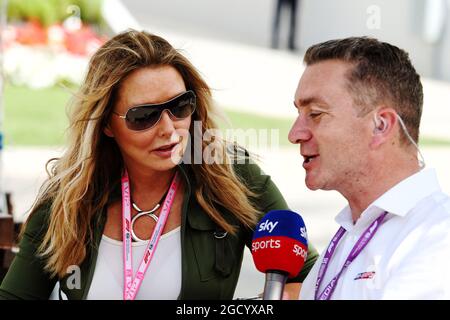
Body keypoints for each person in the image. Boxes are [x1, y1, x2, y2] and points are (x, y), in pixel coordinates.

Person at [0, 29, 318, 300]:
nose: (169, 129)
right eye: (145, 116)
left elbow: (312, 277)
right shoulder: (67, 200)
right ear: (107, 125)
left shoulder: (233, 175)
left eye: (180, 106)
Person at [288, 36, 450, 299]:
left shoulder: (436, 239)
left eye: (315, 114)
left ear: (381, 126)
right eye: (299, 114)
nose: (295, 134)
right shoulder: (349, 232)